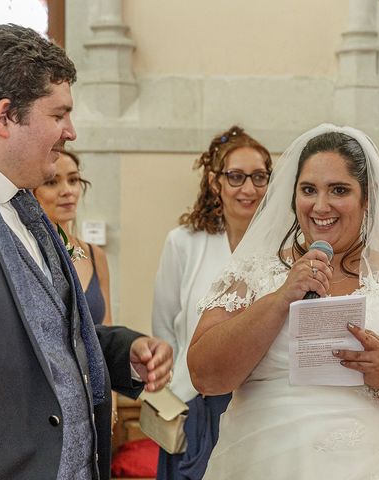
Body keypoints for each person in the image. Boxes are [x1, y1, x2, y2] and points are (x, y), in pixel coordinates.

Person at [188, 124, 379, 479]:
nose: (320, 206)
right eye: (309, 190)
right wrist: (280, 299)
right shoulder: (251, 274)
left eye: (339, 190)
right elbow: (205, 376)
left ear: (366, 199)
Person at [0, 23, 173, 480]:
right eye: (59, 115)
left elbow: (54, 335)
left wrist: (124, 351)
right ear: (4, 118)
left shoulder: (30, 213)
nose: (71, 132)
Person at [152, 125, 272, 479]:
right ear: (215, 181)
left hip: (260, 408)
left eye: (259, 177)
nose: (248, 189)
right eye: (236, 177)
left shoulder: (284, 249)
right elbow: (164, 329)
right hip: (195, 404)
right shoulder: (184, 243)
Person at [34, 150, 111, 325]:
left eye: (73, 180)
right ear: (32, 192)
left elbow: (108, 332)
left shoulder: (95, 255)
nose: (67, 191)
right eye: (52, 182)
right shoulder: (26, 252)